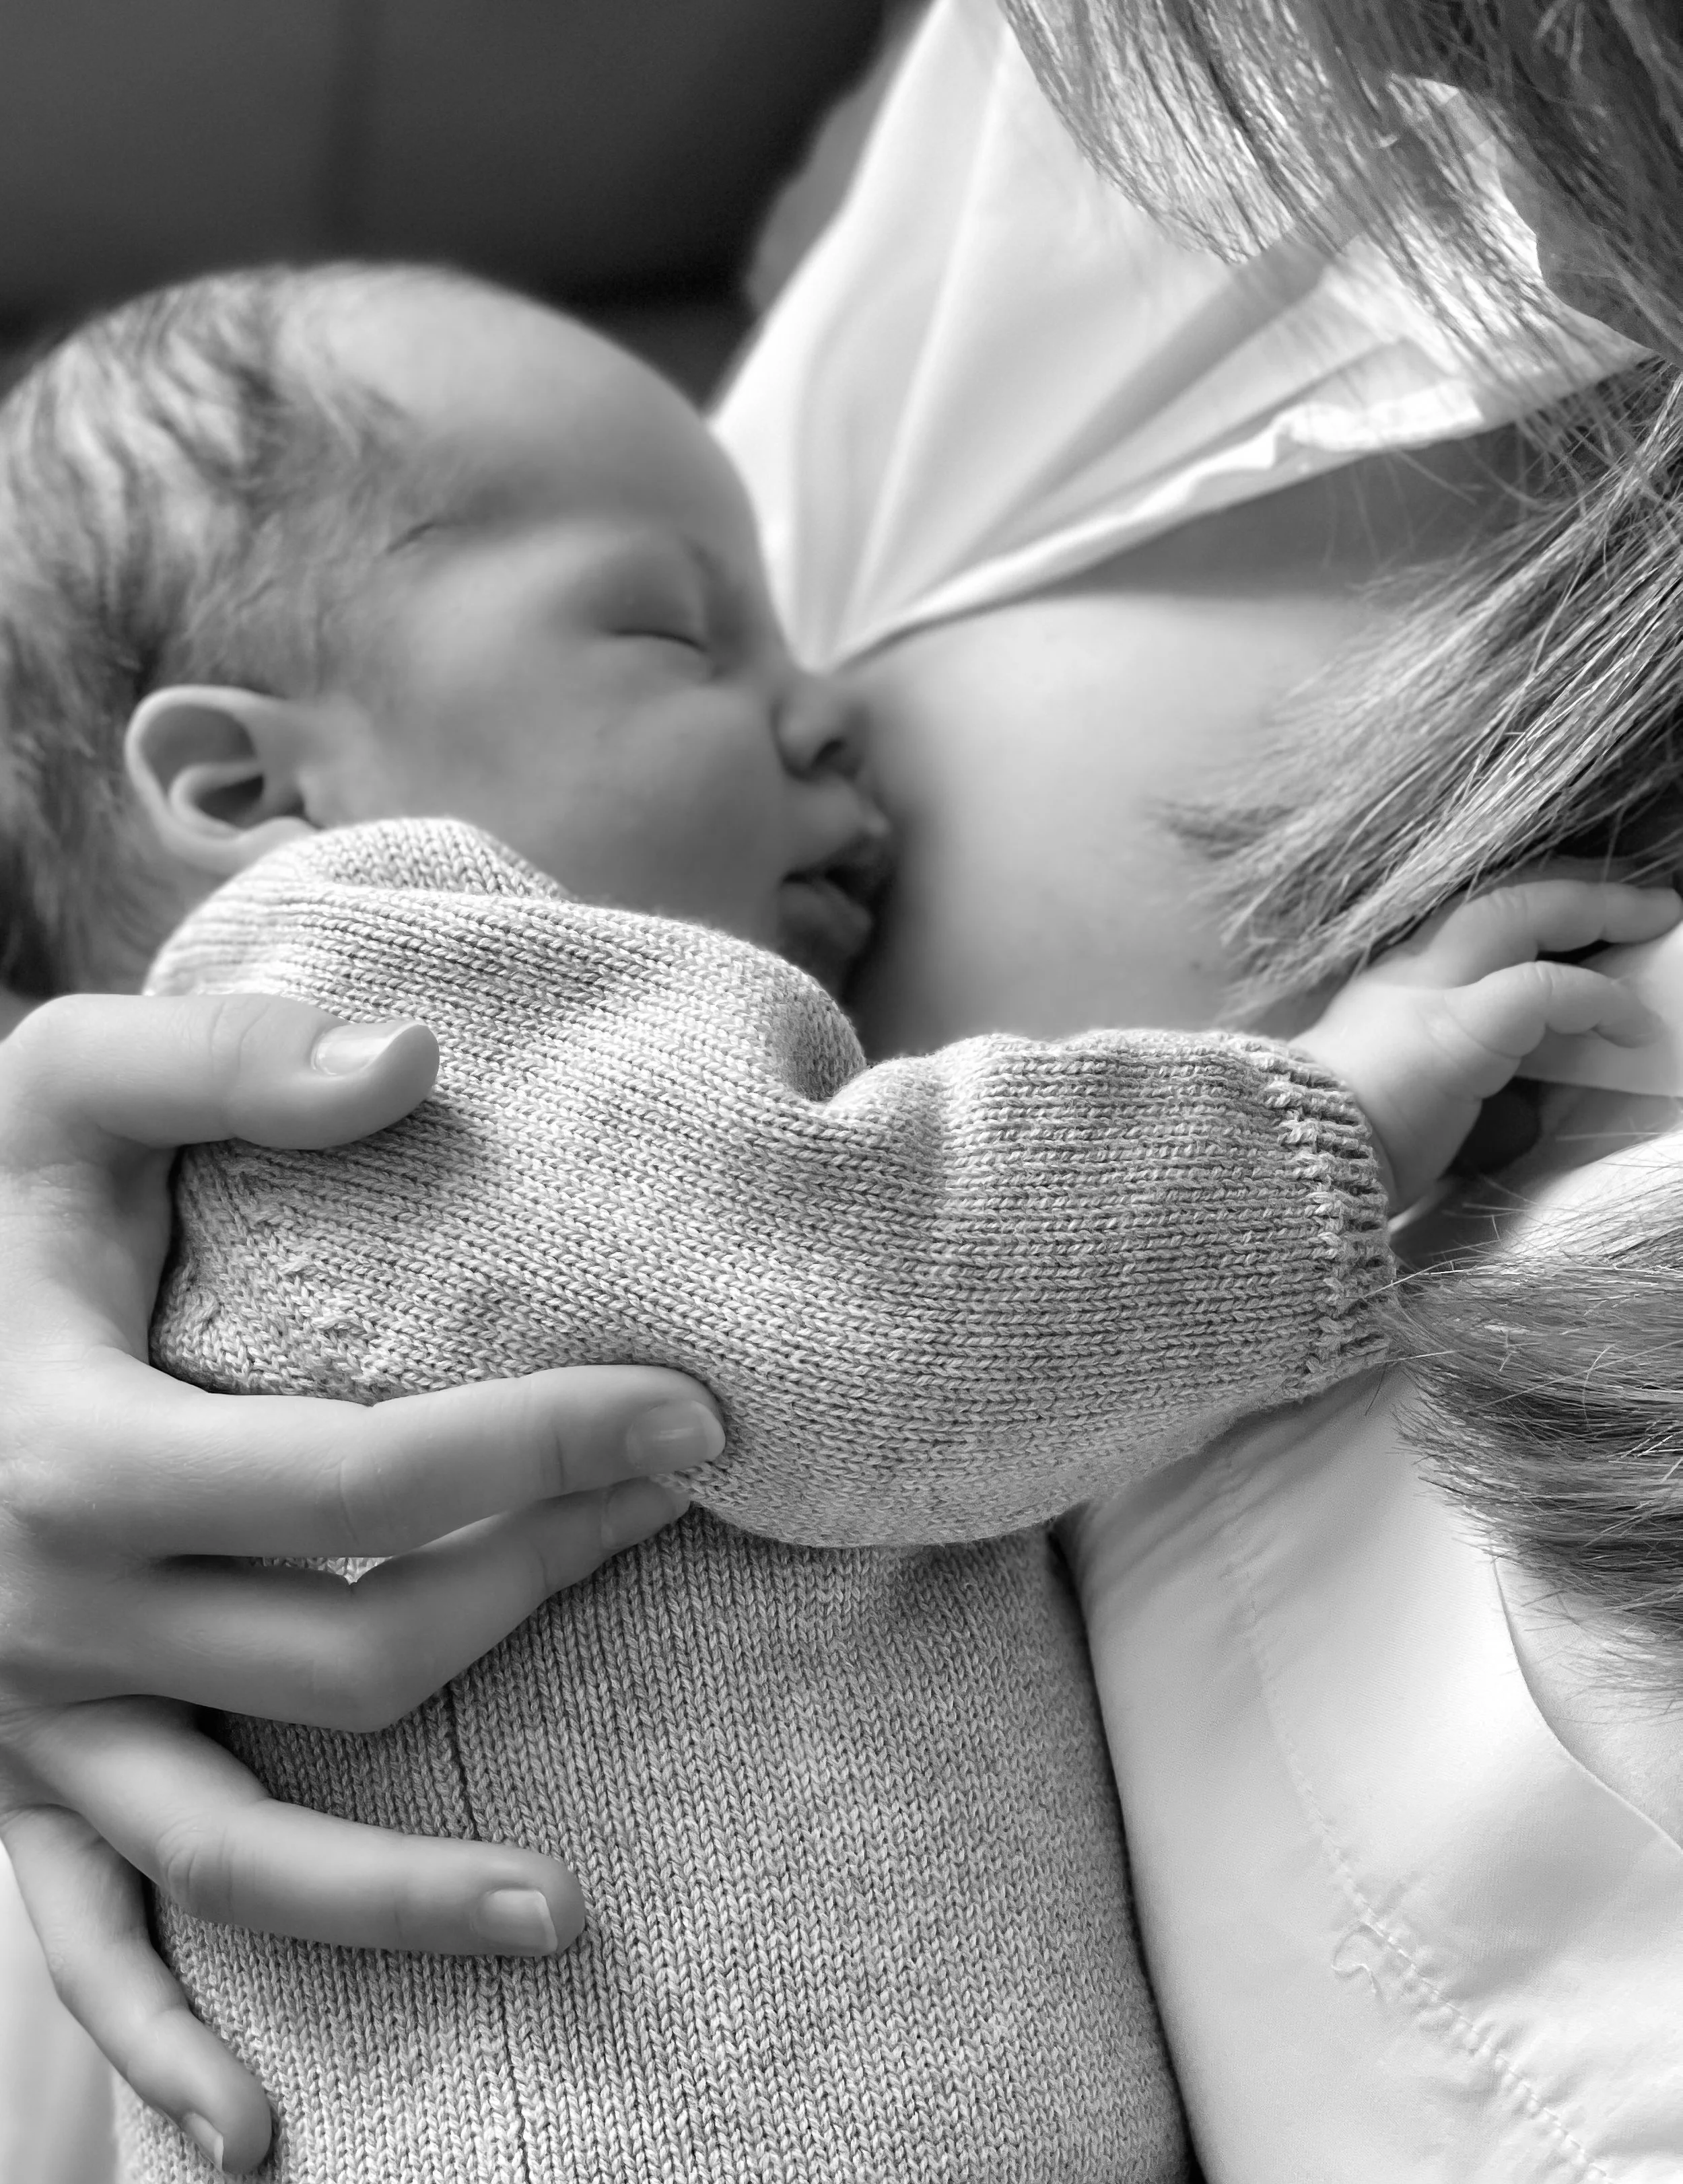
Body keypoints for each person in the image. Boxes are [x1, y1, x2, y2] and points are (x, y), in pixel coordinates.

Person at [0, 0, 1678, 2171]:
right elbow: (868, 1286)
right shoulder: (397, 1013)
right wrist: (1324, 1139)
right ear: (253, 786)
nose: (830, 721)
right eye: (690, 637)